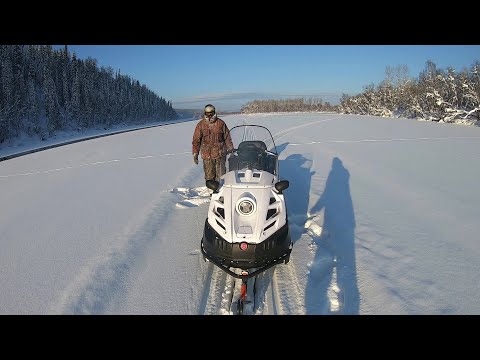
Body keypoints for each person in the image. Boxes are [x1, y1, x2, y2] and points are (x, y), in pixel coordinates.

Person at [192, 104, 234, 183]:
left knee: (221, 176)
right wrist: (195, 153)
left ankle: (221, 191)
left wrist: (231, 149)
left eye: (211, 113)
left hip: (220, 154)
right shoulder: (200, 125)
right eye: (207, 113)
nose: (209, 115)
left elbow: (227, 137)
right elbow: (196, 140)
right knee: (209, 177)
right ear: (205, 113)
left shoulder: (221, 123)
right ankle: (212, 191)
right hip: (207, 155)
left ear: (214, 112)